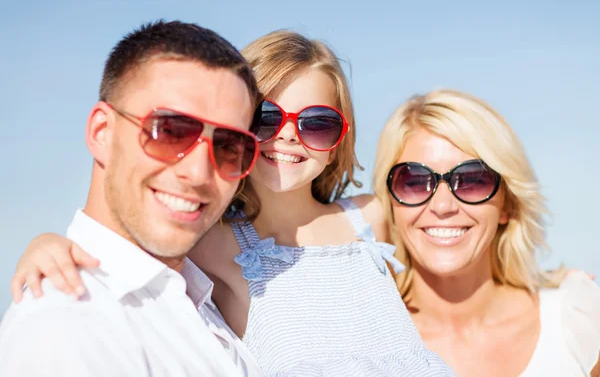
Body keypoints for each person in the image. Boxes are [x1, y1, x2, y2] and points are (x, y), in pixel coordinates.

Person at [7, 31, 455, 376]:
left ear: (341, 138)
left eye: (316, 123)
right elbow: (131, 243)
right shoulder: (211, 244)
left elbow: (460, 241)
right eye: (264, 119)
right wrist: (49, 243)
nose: (286, 136)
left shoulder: (374, 217)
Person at [0, 20, 264, 377]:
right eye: (170, 132)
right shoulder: (66, 325)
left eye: (229, 147)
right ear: (101, 133)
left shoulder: (199, 299)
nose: (199, 173)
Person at [372, 89, 600, 376]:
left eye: (471, 179)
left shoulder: (578, 319)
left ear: (508, 205)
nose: (442, 206)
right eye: (414, 181)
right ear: (391, 205)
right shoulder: (355, 341)